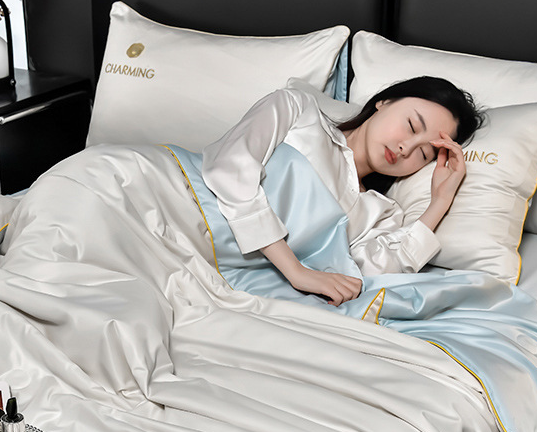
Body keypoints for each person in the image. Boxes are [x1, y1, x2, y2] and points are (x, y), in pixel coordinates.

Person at [198, 77, 484, 306]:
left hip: (218, 272)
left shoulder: (380, 213)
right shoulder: (298, 111)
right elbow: (229, 168)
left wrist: (440, 202)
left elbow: (365, 276)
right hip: (183, 205)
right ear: (384, 101)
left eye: (423, 154)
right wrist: (296, 271)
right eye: (411, 126)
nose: (405, 148)